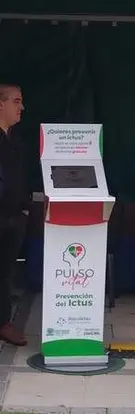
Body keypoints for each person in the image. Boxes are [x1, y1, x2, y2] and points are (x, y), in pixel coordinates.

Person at [0, 84, 29, 346]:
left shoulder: (16, 140)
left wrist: (23, 208)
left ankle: (4, 322)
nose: (21, 107)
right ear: (1, 105)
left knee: (6, 272)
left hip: (13, 217)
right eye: (16, 101)